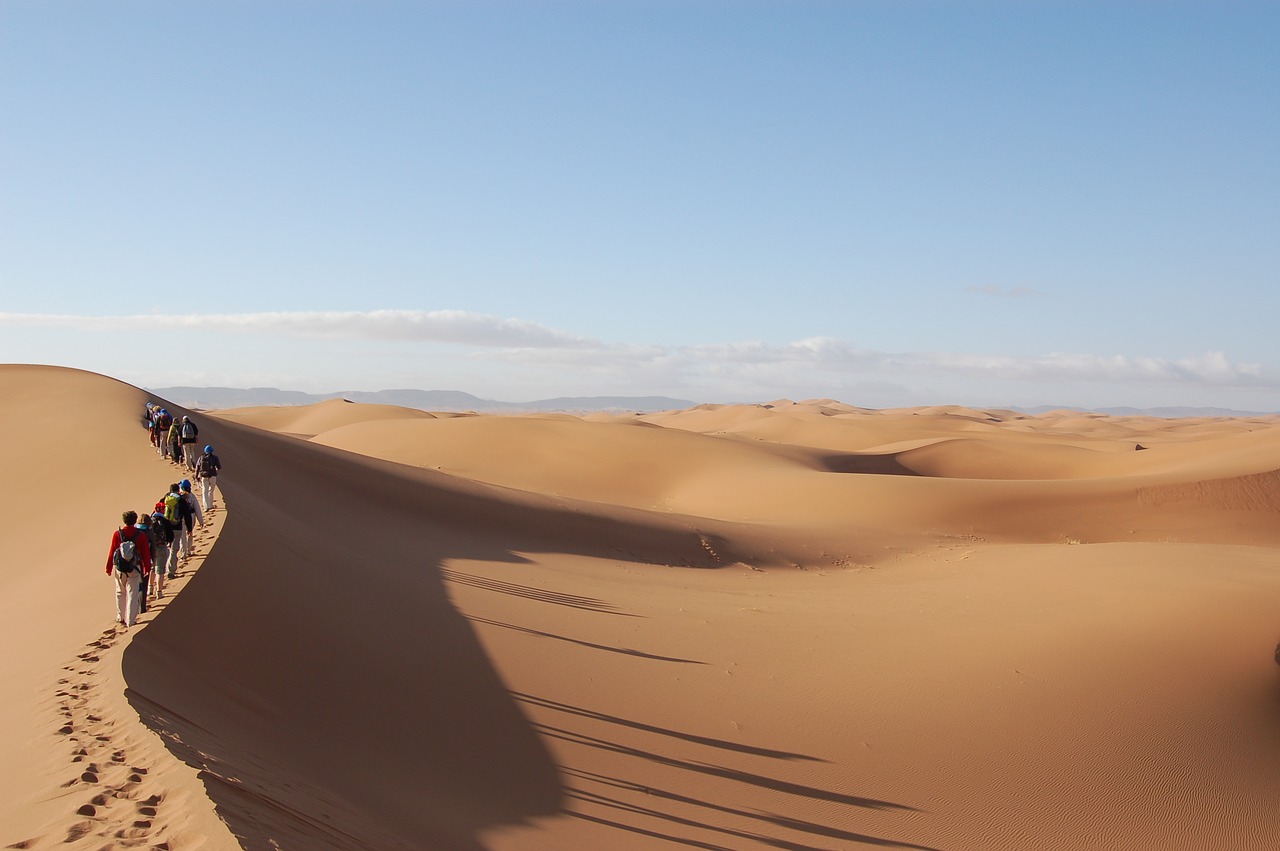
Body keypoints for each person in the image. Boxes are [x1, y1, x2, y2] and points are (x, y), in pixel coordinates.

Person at [105, 510, 152, 629]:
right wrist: (147, 567)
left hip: (120, 568)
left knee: (120, 592)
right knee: (133, 593)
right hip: (135, 568)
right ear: (135, 520)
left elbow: (112, 551)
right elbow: (146, 553)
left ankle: (120, 617)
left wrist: (109, 567)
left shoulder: (117, 534)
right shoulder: (140, 535)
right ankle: (130, 620)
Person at [142, 507, 171, 601]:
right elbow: (171, 536)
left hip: (151, 549)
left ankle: (150, 589)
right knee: (160, 571)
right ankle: (159, 592)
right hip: (162, 547)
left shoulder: (150, 521)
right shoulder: (165, 521)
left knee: (152, 569)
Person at [178, 479, 205, 563]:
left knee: (183, 537)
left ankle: (184, 554)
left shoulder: (179, 497)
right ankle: (188, 551)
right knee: (189, 534)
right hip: (191, 517)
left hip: (183, 519)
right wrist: (201, 521)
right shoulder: (192, 496)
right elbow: (197, 508)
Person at [196, 444, 222, 511]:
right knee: (211, 490)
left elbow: (197, 467)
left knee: (205, 491)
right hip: (212, 476)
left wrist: (196, 476)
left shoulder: (201, 457)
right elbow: (219, 467)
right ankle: (210, 505)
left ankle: (206, 507)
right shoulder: (215, 458)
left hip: (204, 476)